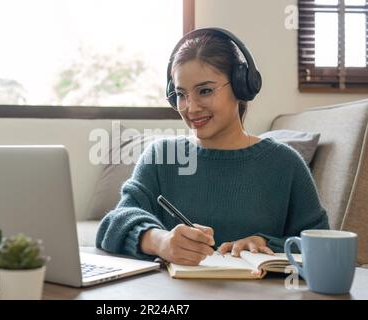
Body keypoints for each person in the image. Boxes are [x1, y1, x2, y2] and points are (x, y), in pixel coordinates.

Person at [95, 28, 329, 266]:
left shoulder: (284, 163)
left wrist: (267, 244)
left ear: (241, 86)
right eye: (180, 94)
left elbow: (322, 244)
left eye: (205, 91)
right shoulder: (161, 156)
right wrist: (161, 242)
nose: (191, 107)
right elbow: (112, 225)